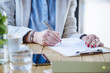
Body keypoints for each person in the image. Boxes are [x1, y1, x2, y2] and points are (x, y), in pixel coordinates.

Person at [1, 0, 103, 47]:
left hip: (56, 62)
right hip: (22, 60)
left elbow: (68, 32)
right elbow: (4, 29)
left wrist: (83, 39)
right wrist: (33, 36)